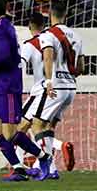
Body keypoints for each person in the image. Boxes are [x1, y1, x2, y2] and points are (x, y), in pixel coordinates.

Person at [0, 0, 52, 182]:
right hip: (0, 84)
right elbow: (11, 57)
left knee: (10, 133)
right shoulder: (5, 26)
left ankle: (44, 157)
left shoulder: (0, 29)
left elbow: (5, 56)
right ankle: (19, 168)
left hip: (8, 86)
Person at [17, 12, 75, 178]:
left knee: (21, 129)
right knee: (43, 128)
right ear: (44, 24)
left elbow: (20, 65)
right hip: (59, 88)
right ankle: (49, 168)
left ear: (29, 26)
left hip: (41, 90)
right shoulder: (53, 39)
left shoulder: (30, 44)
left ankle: (24, 166)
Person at [32, 2, 84, 178]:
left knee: (36, 125)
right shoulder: (76, 36)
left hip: (55, 86)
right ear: (66, 14)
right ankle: (52, 170)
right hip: (70, 88)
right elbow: (80, 67)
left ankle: (59, 148)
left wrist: (48, 81)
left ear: (50, 15)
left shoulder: (48, 34)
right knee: (48, 127)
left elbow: (47, 56)